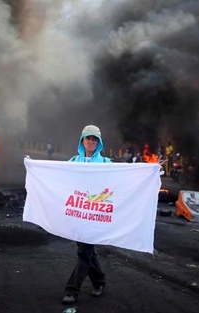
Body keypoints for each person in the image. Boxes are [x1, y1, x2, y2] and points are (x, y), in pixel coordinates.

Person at [62, 125, 111, 305]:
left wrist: (150, 170)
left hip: (95, 216)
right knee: (88, 252)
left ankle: (72, 291)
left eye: (94, 139)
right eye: (88, 138)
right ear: (82, 141)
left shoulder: (106, 163)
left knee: (84, 252)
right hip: (77, 214)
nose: (91, 141)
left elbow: (122, 179)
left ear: (99, 143)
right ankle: (99, 281)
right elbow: (57, 176)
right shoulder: (73, 161)